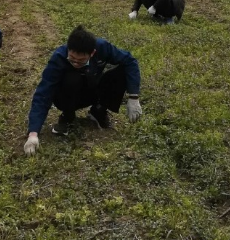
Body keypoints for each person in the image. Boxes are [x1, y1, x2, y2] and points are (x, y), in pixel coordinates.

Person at [23, 25, 142, 156]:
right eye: (72, 59)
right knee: (71, 78)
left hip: (92, 87)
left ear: (92, 53)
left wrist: (133, 97)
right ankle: (68, 116)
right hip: (68, 95)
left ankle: (98, 111)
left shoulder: (102, 47)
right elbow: (43, 93)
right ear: (68, 50)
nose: (76, 63)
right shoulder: (59, 57)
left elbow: (130, 61)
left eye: (81, 60)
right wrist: (33, 133)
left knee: (122, 72)